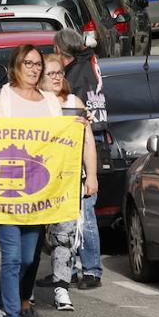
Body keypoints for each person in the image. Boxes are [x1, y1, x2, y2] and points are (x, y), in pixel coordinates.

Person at [0, 45, 63, 317]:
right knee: (11, 257)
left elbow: (60, 143)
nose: (34, 69)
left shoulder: (50, 102)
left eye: (38, 64)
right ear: (16, 66)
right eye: (28, 63)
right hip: (3, 194)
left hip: (36, 195)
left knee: (27, 260)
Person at [34, 53, 99, 312]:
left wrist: (91, 175)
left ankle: (62, 287)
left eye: (60, 72)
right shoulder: (33, 105)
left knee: (65, 235)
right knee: (36, 237)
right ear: (40, 79)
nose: (57, 77)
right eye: (51, 74)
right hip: (38, 181)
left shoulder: (74, 102)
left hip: (68, 181)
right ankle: (24, 289)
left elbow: (87, 142)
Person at [51, 28, 105, 289]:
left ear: (61, 53)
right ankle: (69, 270)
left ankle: (92, 270)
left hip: (85, 156)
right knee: (73, 217)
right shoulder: (88, 66)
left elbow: (82, 127)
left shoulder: (76, 77)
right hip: (84, 152)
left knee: (85, 216)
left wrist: (90, 173)